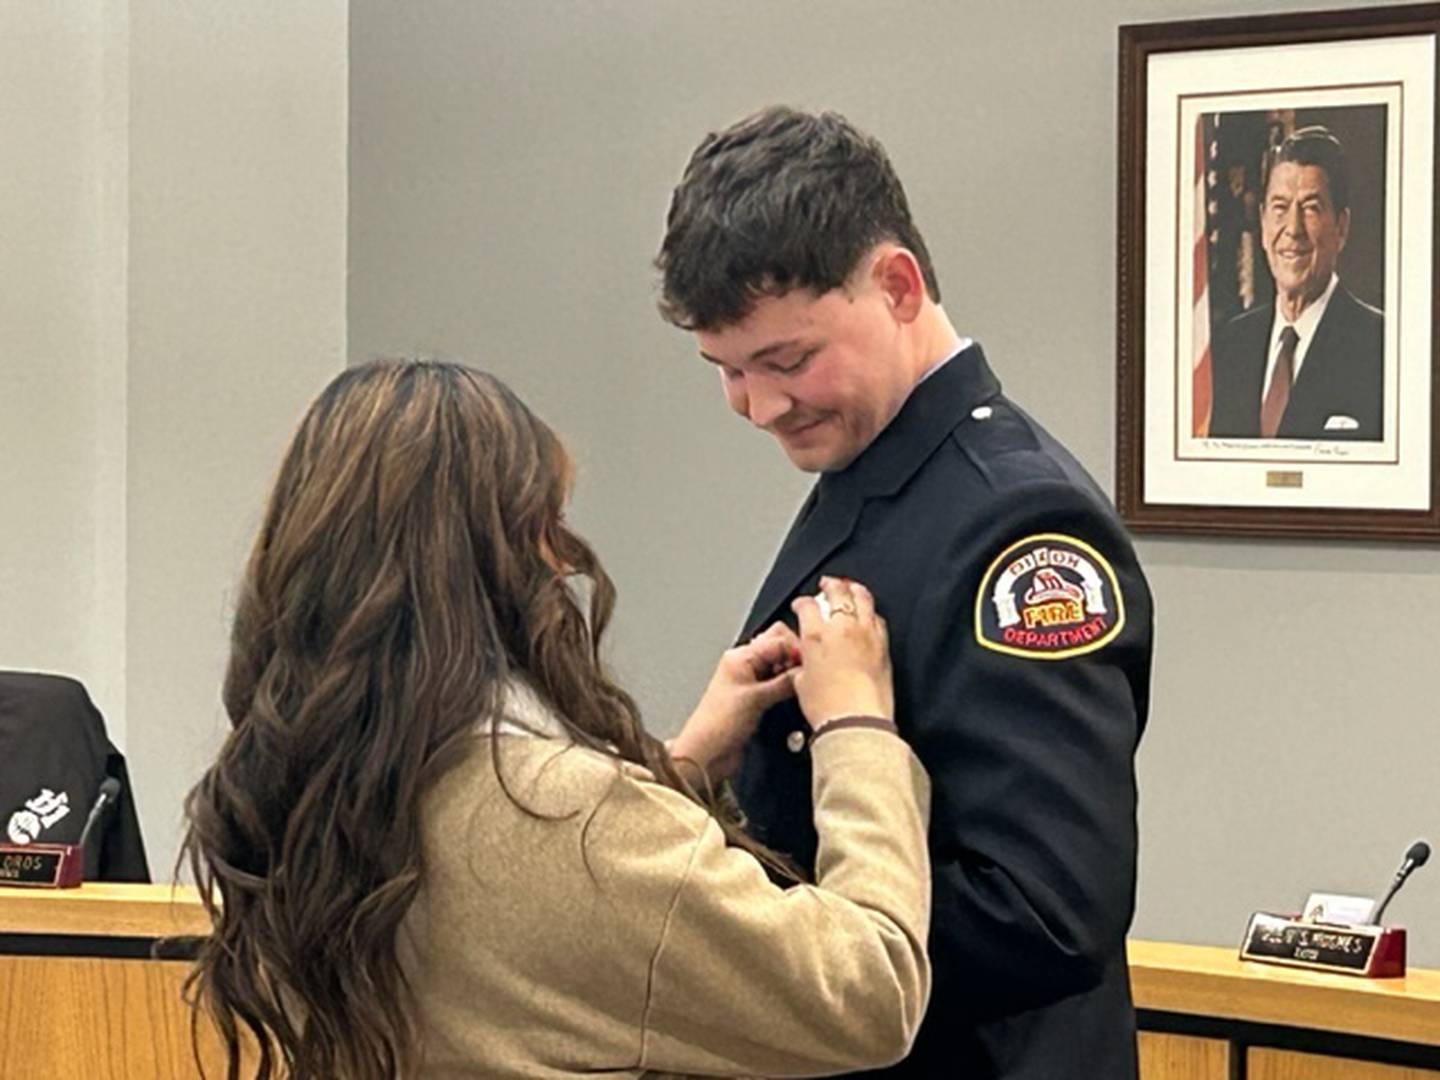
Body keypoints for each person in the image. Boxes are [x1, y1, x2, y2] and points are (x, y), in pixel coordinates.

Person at [179, 360, 932, 1079]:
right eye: (545, 522)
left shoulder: (292, 794)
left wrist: (686, 765)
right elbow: (870, 990)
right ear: (496, 555)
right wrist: (855, 727)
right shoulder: (567, 818)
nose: (563, 561)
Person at [656, 106, 1154, 1079]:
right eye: (727, 372)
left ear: (895, 285)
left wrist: (767, 954)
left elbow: (1048, 911)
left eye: (788, 361)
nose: (758, 407)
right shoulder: (881, 471)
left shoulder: (1023, 527)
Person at [1209, 125, 1385, 440]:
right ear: (1263, 224)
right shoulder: (1230, 345)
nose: (1293, 228)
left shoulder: (1381, 346)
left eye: (1311, 208)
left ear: (1341, 228)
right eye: (1280, 208)